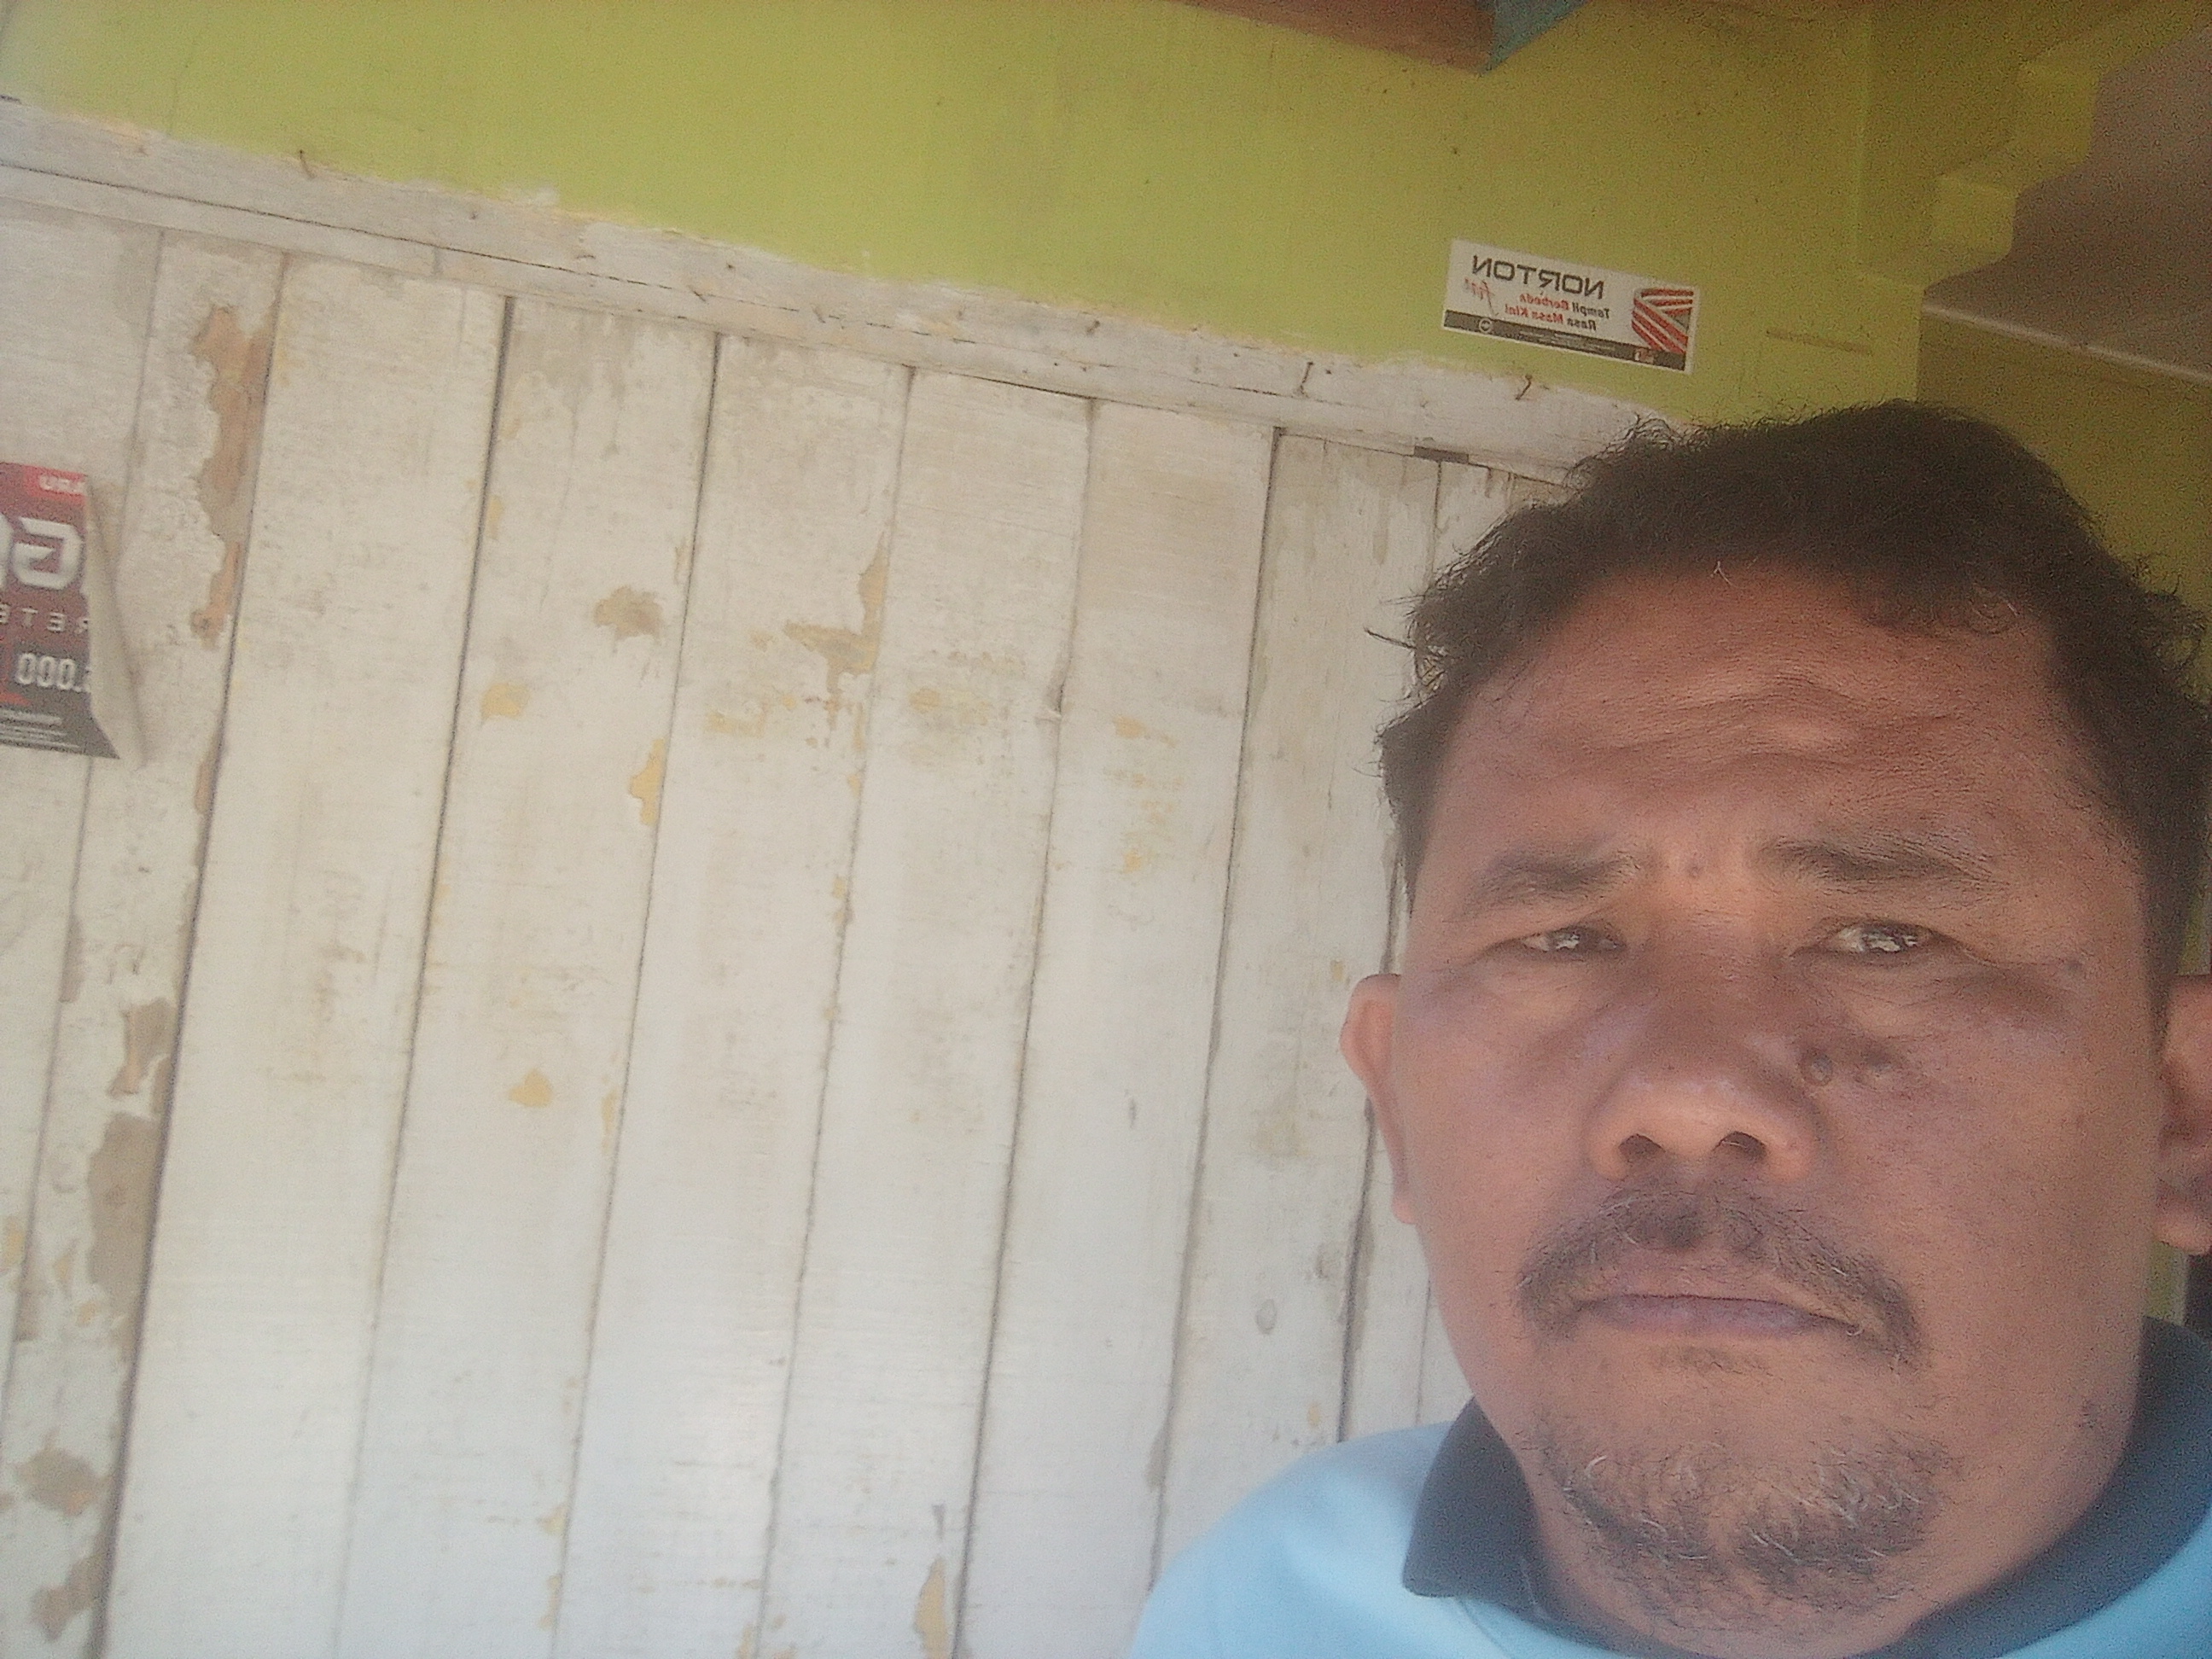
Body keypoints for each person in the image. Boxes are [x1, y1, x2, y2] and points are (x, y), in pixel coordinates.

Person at [1129, 404, 2212, 1659]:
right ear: (1398, 1108)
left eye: (1885, 938)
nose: (1686, 1094)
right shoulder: (1258, 1603)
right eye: (1564, 940)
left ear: (2182, 1113)